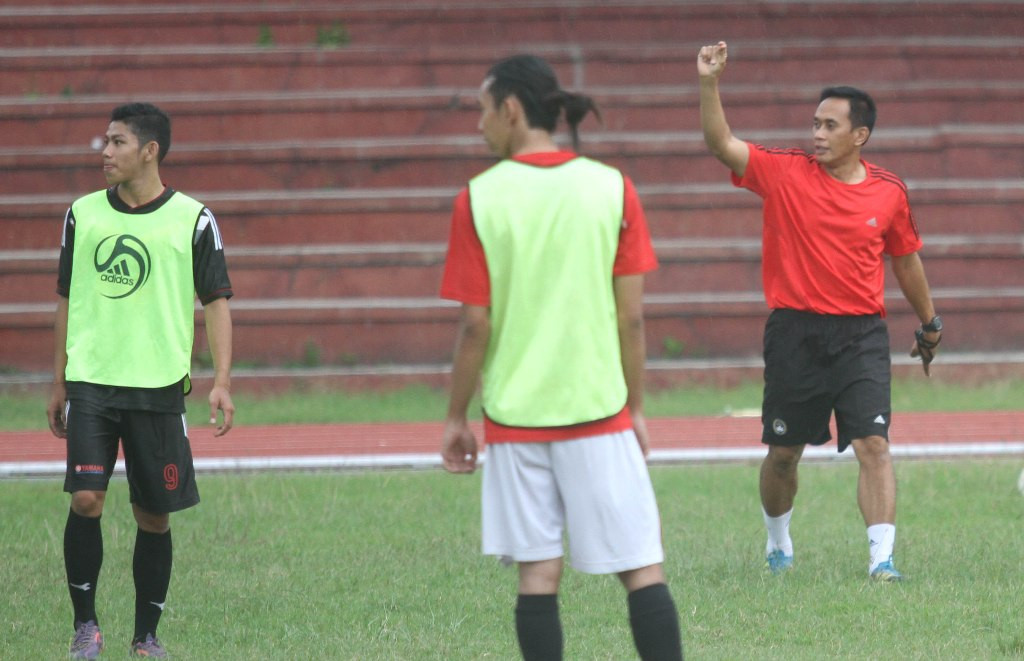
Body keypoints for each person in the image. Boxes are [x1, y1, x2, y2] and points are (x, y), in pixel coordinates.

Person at [440, 54, 684, 661]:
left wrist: (454, 417)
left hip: (517, 422)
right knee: (641, 569)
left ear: (512, 110)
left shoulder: (478, 198)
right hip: (600, 413)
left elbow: (476, 325)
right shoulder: (612, 187)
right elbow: (631, 318)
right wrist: (638, 407)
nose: (480, 126)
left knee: (538, 577)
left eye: (482, 111)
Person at [697, 42, 942, 581]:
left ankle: (882, 560)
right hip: (795, 333)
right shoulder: (785, 173)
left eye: (830, 126)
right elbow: (721, 144)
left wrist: (930, 322)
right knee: (784, 454)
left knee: (873, 444)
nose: (817, 134)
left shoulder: (889, 192)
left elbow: (905, 262)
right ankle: (777, 543)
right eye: (815, 124)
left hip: (862, 336)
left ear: (861, 136)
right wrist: (710, 82)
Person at [46, 102, 235, 658]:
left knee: (153, 515)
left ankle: (146, 637)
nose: (105, 152)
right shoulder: (82, 214)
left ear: (149, 151)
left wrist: (221, 379)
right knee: (86, 500)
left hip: (157, 390)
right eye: (105, 141)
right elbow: (64, 300)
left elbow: (217, 303)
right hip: (92, 383)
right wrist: (58, 380)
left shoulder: (194, 218)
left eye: (117, 142)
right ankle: (86, 627)